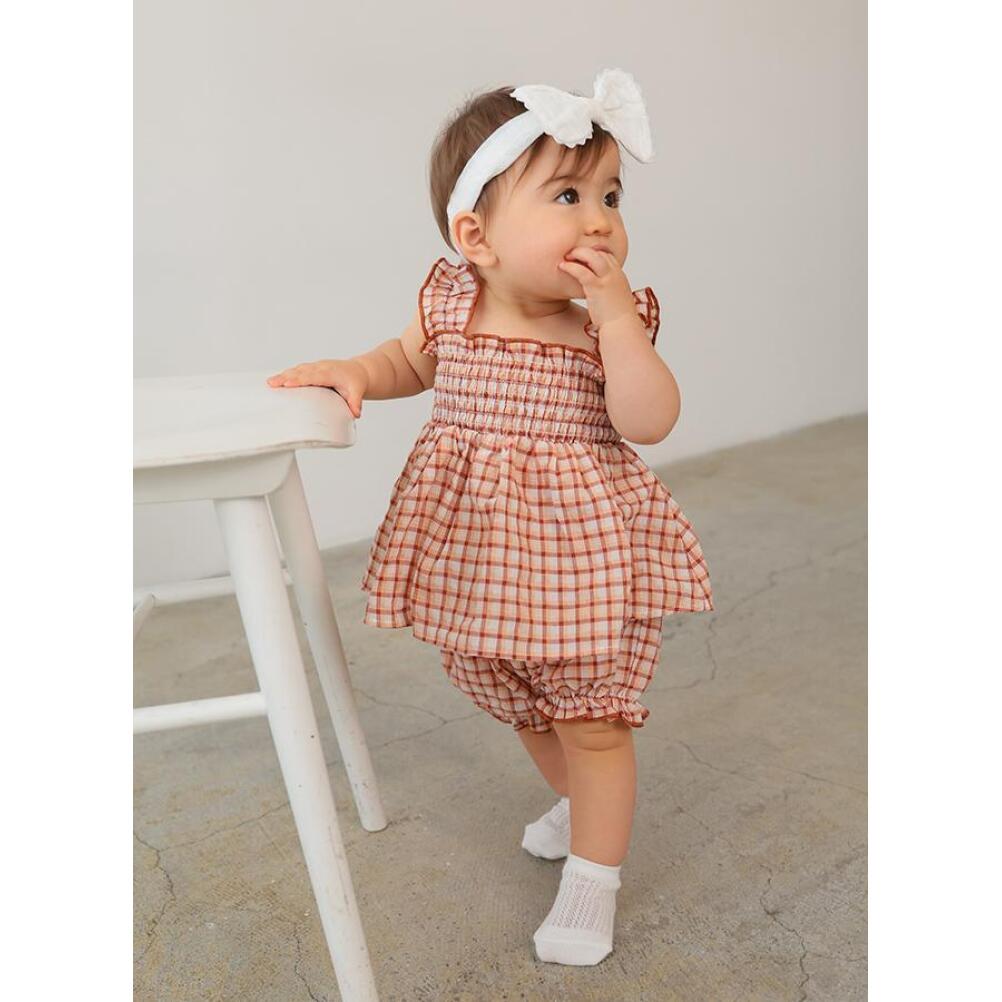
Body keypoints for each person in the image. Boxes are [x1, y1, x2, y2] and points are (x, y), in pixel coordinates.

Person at [267, 68, 714, 967]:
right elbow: (406, 361)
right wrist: (358, 374)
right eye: (568, 196)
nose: (600, 220)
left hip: (582, 565)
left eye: (611, 196)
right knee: (523, 706)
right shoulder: (452, 308)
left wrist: (618, 320)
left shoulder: (604, 328)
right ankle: (579, 805)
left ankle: (594, 877)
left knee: (591, 720)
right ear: (476, 236)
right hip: (484, 566)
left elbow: (649, 419)